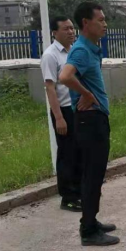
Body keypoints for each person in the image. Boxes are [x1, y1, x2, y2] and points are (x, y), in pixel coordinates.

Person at [59, 2, 119, 247]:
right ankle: (88, 230)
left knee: (94, 174)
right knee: (92, 175)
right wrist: (86, 94)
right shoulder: (82, 50)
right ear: (86, 23)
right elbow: (64, 76)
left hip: (95, 118)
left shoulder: (90, 48)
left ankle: (91, 220)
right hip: (90, 120)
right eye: (100, 20)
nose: (105, 24)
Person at [40, 16, 82, 212]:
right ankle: (68, 197)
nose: (71, 32)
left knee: (79, 151)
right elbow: (50, 88)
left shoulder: (74, 51)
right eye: (66, 29)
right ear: (55, 33)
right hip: (63, 109)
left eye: (72, 28)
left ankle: (79, 191)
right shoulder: (50, 55)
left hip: (77, 107)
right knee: (66, 153)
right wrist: (58, 118)